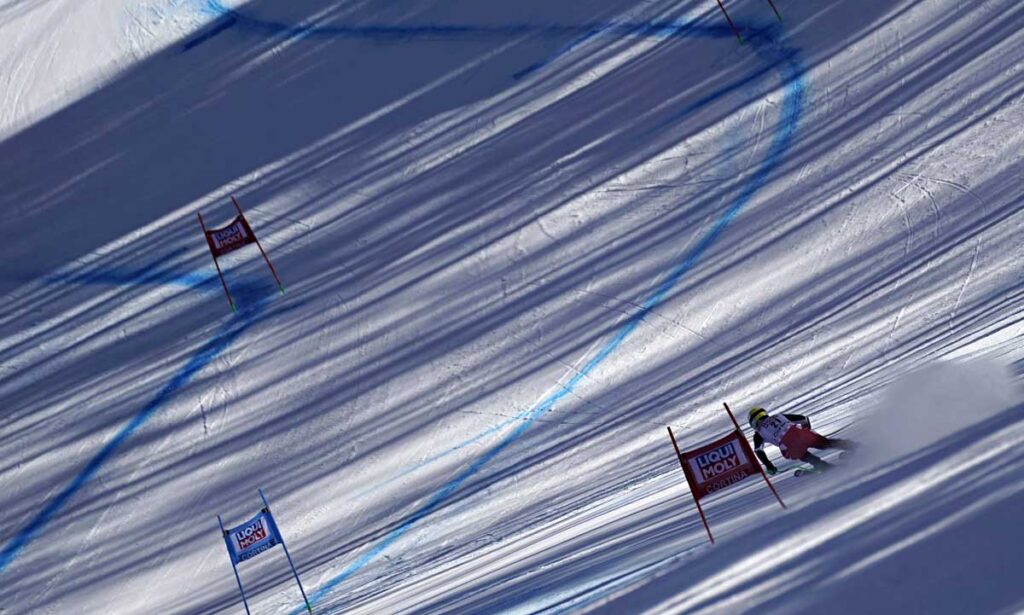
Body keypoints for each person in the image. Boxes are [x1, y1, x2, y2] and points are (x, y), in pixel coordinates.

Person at [747, 407, 854, 473]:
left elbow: (758, 450)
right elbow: (803, 419)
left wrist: (769, 466)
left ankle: (822, 466)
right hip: (802, 433)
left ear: (754, 422)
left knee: (798, 453)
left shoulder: (758, 433)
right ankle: (851, 446)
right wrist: (806, 432)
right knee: (826, 443)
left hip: (788, 444)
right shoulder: (779, 416)